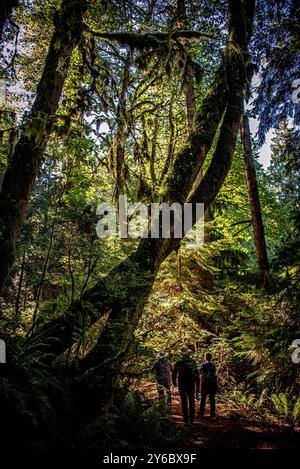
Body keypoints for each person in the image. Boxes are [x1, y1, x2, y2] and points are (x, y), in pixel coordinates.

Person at [172, 345, 200, 425]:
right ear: (188, 353)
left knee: (184, 402)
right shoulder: (193, 362)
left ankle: (185, 421)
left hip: (182, 385)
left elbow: (174, 374)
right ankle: (191, 420)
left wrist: (174, 383)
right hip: (191, 384)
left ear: (181, 354)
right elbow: (197, 375)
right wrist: (198, 387)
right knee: (191, 402)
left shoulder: (178, 363)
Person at [198, 352, 217, 418]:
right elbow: (214, 373)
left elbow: (199, 372)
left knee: (203, 398)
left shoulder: (203, 365)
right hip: (212, 383)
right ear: (211, 358)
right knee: (212, 398)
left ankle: (201, 412)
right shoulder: (213, 365)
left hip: (205, 383)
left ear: (205, 357)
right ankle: (212, 414)